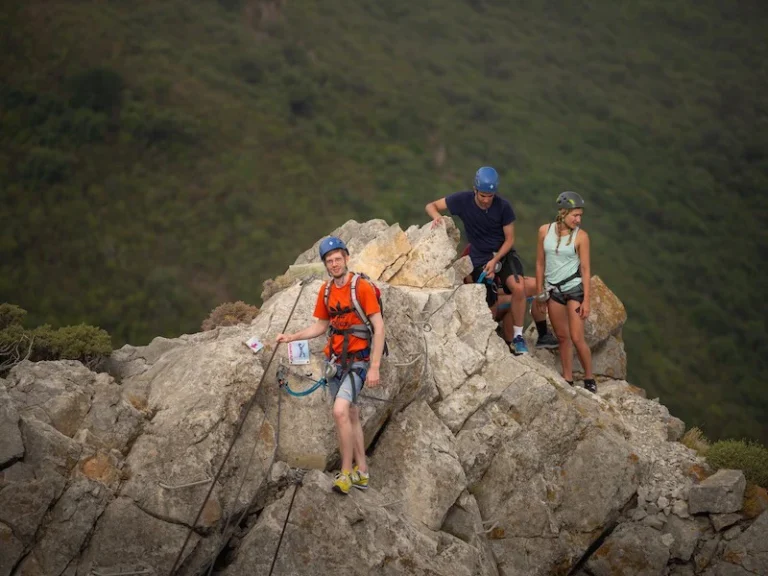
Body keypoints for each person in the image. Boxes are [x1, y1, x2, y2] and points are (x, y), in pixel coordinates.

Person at [276, 236, 386, 494]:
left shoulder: (362, 288)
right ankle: (363, 471)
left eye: (338, 259)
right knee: (350, 414)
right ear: (325, 264)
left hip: (358, 362)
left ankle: (346, 473)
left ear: (346, 258)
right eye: (329, 260)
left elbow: (379, 328)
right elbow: (321, 326)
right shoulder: (326, 291)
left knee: (339, 411)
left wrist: (375, 367)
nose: (334, 264)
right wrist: (292, 337)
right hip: (335, 361)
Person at [426, 166, 558, 354]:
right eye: (483, 196)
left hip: (502, 254)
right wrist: (437, 217)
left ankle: (519, 337)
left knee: (519, 287)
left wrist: (496, 258)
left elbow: (510, 239)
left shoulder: (503, 207)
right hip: (479, 256)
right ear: (475, 190)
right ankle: (492, 340)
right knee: (490, 299)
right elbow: (431, 206)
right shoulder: (462, 200)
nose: (487, 200)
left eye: (490, 196)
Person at [535, 191, 596, 393]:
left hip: (574, 288)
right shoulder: (545, 231)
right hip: (553, 290)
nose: (578, 220)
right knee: (562, 337)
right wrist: (539, 292)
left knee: (577, 338)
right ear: (563, 212)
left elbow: (586, 269)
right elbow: (539, 262)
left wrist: (587, 300)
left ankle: (589, 377)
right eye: (575, 215)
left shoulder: (582, 236)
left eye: (580, 215)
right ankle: (568, 378)